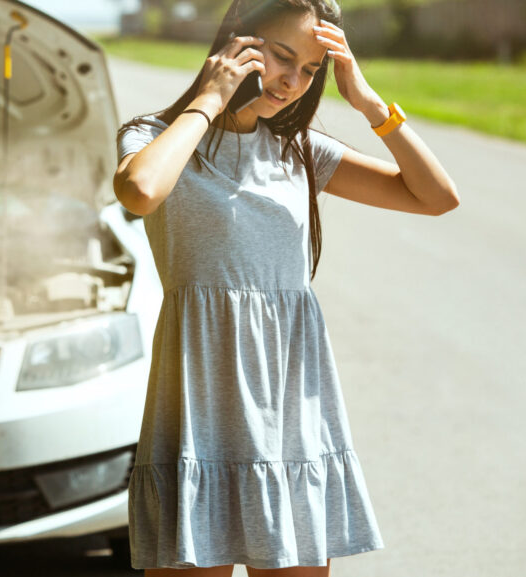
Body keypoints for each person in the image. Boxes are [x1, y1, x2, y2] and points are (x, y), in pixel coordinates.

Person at [114, 0, 458, 575]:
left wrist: (370, 104)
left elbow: (436, 198)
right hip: (201, 404)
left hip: (289, 407)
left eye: (308, 70)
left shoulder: (299, 150)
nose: (291, 81)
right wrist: (210, 97)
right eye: (280, 57)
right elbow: (141, 191)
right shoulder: (155, 138)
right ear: (235, 42)